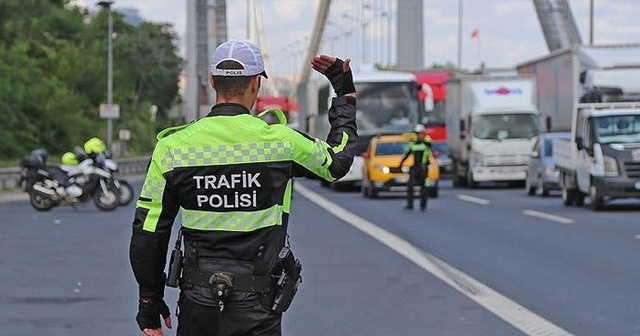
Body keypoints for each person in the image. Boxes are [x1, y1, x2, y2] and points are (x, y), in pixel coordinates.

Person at [129, 39, 358, 336]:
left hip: (198, 301)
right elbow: (337, 162)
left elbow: (148, 231)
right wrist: (344, 96)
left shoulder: (172, 148)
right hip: (258, 304)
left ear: (212, 82)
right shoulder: (281, 143)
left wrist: (149, 299)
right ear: (255, 85)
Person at [399, 124, 432, 211]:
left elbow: (429, 145)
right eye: (417, 133)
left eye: (420, 133)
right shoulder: (412, 143)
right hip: (415, 167)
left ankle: (423, 205)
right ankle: (410, 205)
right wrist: (401, 164)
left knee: (424, 187)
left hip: (424, 167)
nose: (419, 135)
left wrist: (422, 141)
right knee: (410, 186)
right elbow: (407, 154)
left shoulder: (427, 141)